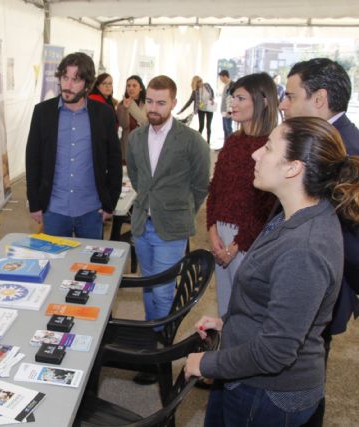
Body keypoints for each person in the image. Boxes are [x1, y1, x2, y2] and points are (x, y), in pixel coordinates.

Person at [185, 117, 359, 427]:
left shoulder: (304, 247)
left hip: (267, 395)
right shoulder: (292, 214)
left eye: (268, 148)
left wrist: (208, 363)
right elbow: (275, 303)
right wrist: (229, 322)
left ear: (293, 168)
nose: (256, 154)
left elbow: (275, 350)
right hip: (248, 377)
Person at [279, 57, 359, 427]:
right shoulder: (326, 139)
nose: (283, 104)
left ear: (320, 98)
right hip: (311, 281)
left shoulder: (346, 149)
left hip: (322, 287)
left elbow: (350, 240)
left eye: (291, 95)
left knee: (304, 382)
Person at [126, 74, 210, 328]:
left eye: (161, 103)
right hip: (142, 225)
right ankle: (150, 333)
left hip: (172, 229)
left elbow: (200, 185)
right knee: (147, 285)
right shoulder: (136, 137)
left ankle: (161, 342)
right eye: (150, 101)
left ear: (173, 103)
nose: (154, 108)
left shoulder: (192, 140)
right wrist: (148, 201)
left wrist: (182, 212)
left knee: (162, 291)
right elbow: (136, 176)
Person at [25, 52, 122, 239]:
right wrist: (34, 203)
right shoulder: (42, 112)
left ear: (87, 84)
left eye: (75, 80)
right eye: (65, 78)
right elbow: (32, 160)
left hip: (92, 210)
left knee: (90, 258)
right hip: (54, 209)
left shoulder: (104, 114)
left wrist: (110, 202)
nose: (67, 86)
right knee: (54, 257)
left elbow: (114, 161)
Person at [206, 72, 279, 316]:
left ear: (263, 101)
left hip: (250, 241)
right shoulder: (232, 141)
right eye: (233, 97)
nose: (233, 103)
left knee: (246, 311)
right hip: (221, 235)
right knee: (225, 307)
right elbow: (215, 189)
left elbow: (266, 207)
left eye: (240, 98)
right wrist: (212, 230)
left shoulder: (273, 146)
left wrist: (236, 246)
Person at [116, 75, 148, 163]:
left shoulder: (148, 104)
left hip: (145, 144)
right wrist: (125, 109)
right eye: (128, 86)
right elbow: (124, 125)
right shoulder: (122, 105)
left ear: (141, 88)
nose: (131, 88)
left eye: (134, 86)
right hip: (128, 144)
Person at [178, 75, 216, 144]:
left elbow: (212, 92)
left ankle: (208, 142)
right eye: (198, 82)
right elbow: (189, 102)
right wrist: (181, 110)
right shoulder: (195, 92)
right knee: (201, 126)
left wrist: (212, 99)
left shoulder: (207, 85)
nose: (201, 83)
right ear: (196, 84)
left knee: (208, 126)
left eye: (201, 81)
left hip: (209, 108)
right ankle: (198, 142)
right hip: (201, 109)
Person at [218, 70, 233, 139]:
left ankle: (231, 144)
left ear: (225, 76)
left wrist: (229, 112)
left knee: (228, 129)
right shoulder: (226, 85)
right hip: (224, 112)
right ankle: (226, 144)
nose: (220, 79)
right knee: (225, 129)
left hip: (228, 112)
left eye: (221, 77)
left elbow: (231, 100)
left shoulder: (231, 85)